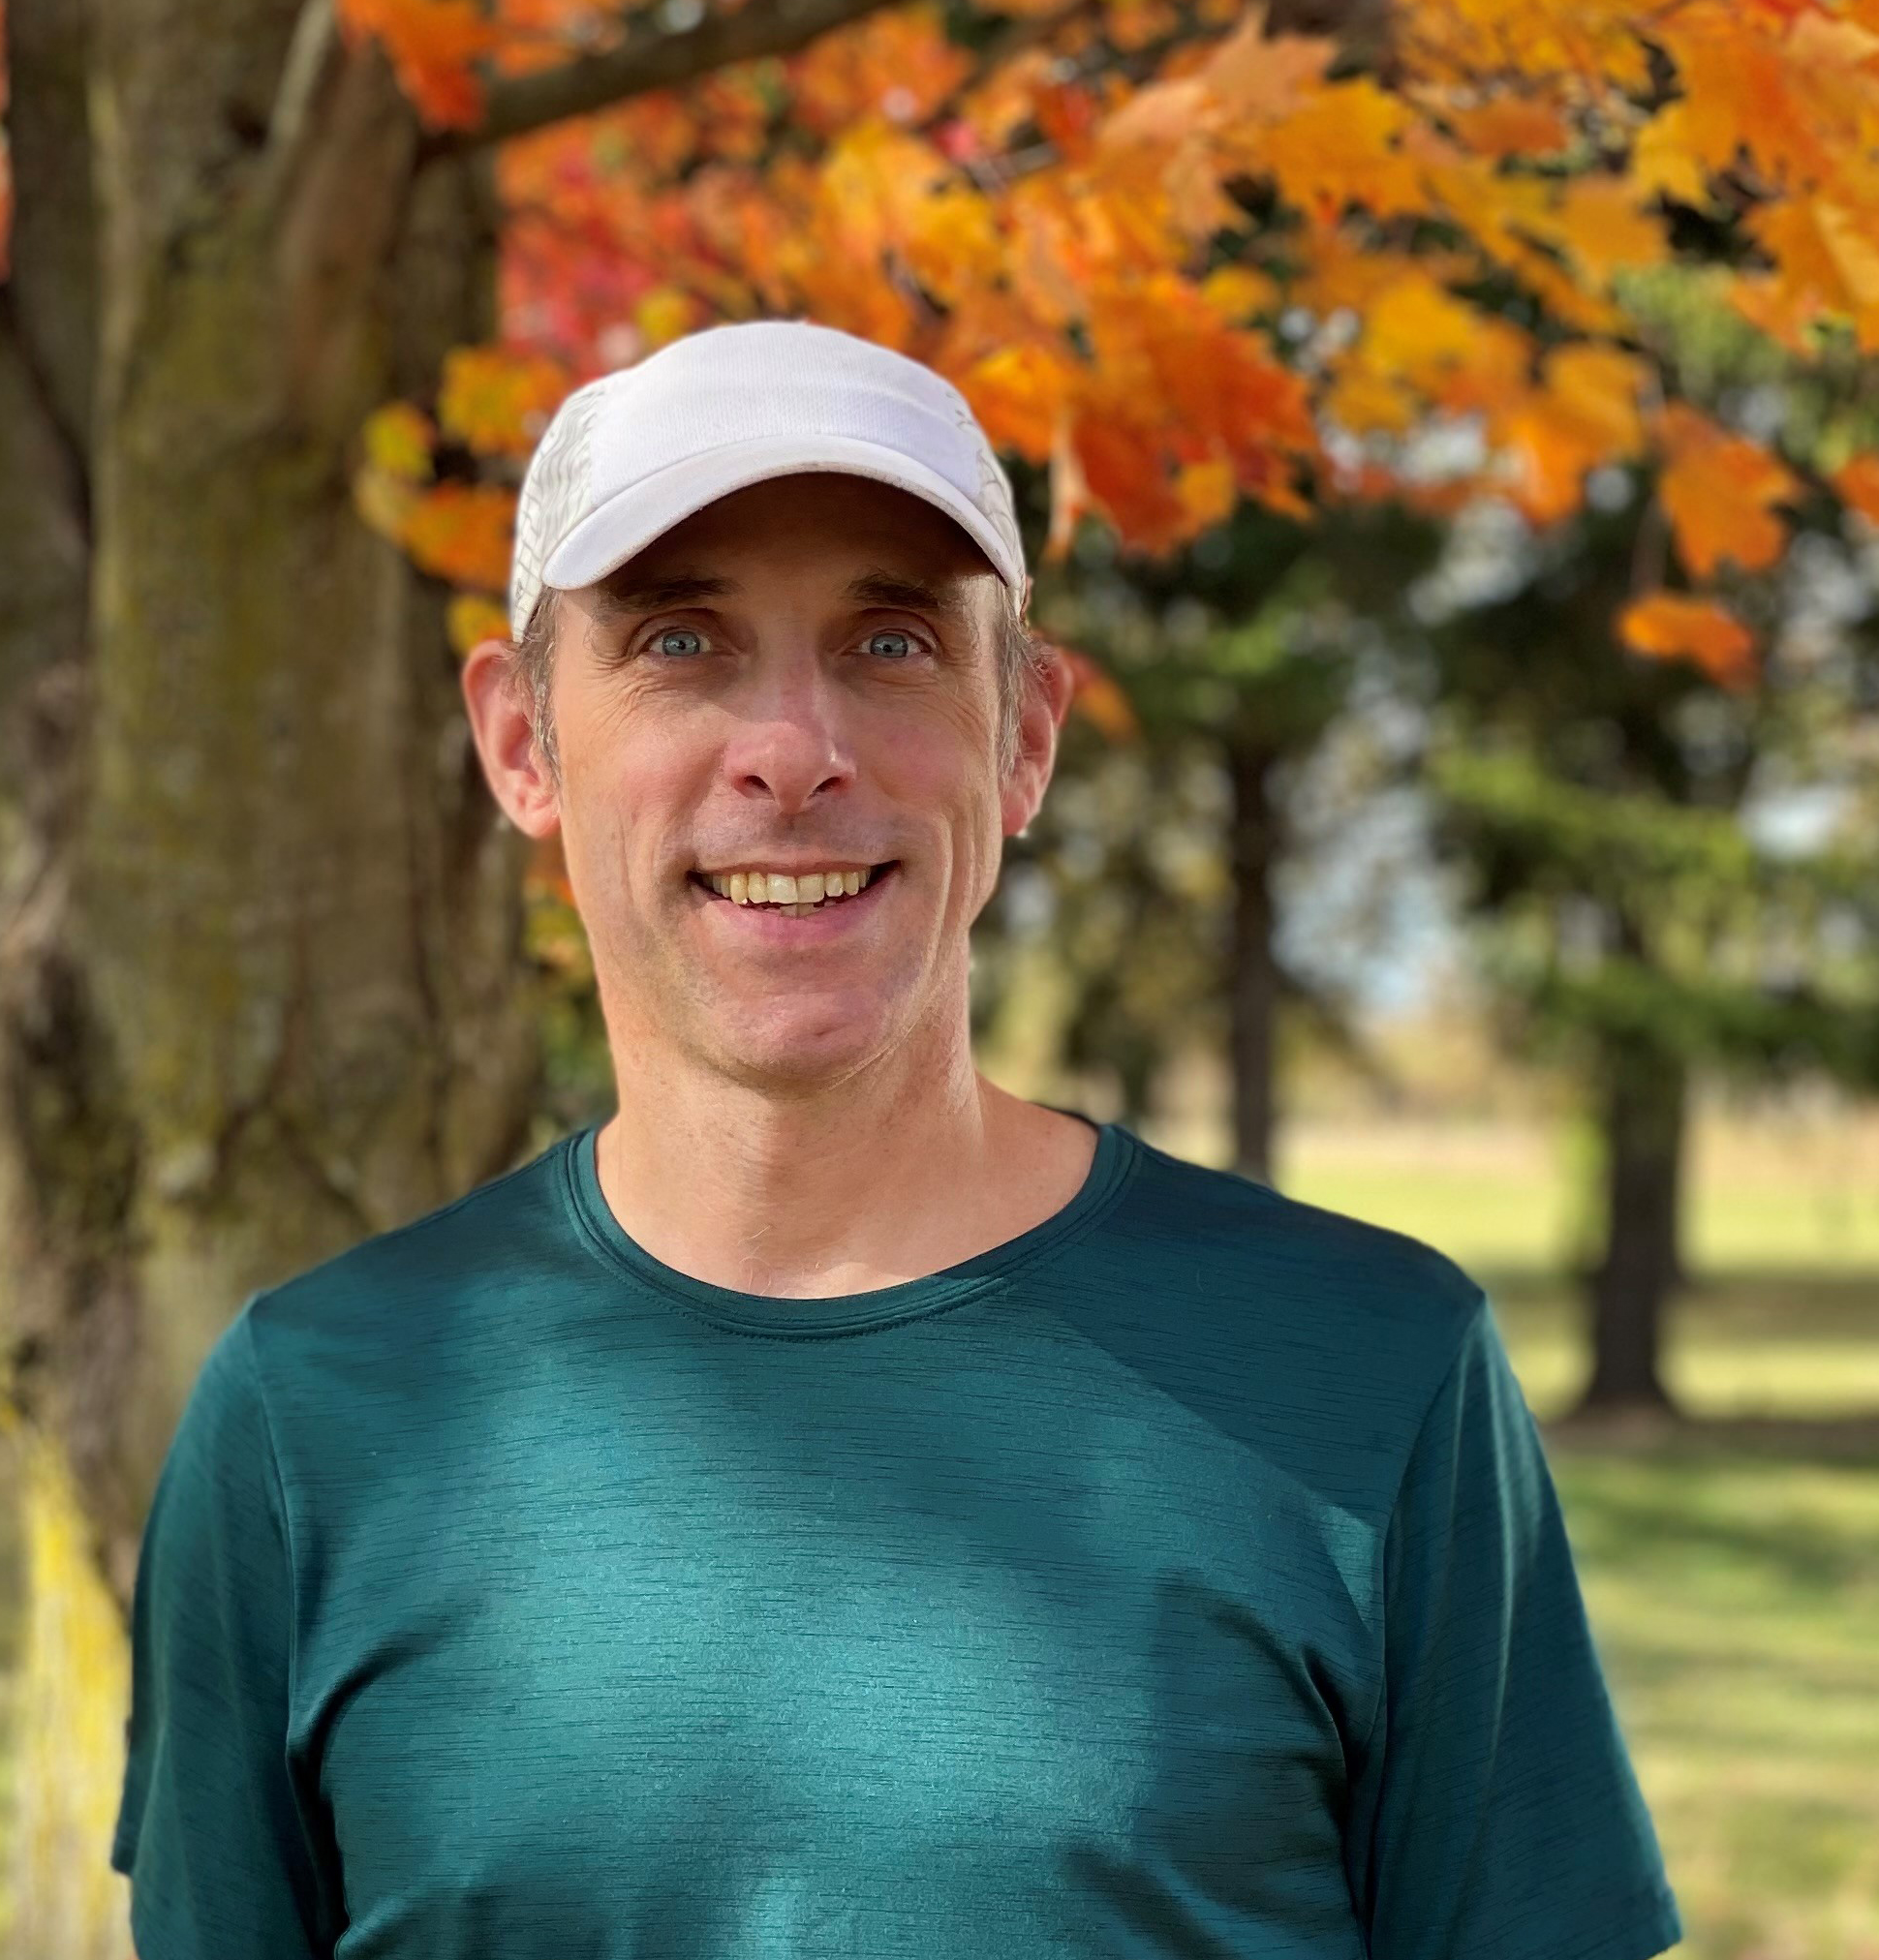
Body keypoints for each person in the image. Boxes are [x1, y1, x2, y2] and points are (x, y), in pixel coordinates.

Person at [111, 319, 1683, 1960]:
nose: (794, 749)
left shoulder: (1369, 1373)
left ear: (1024, 735)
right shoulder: (314, 1416)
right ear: (523, 743)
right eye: (676, 642)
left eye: (889, 643)